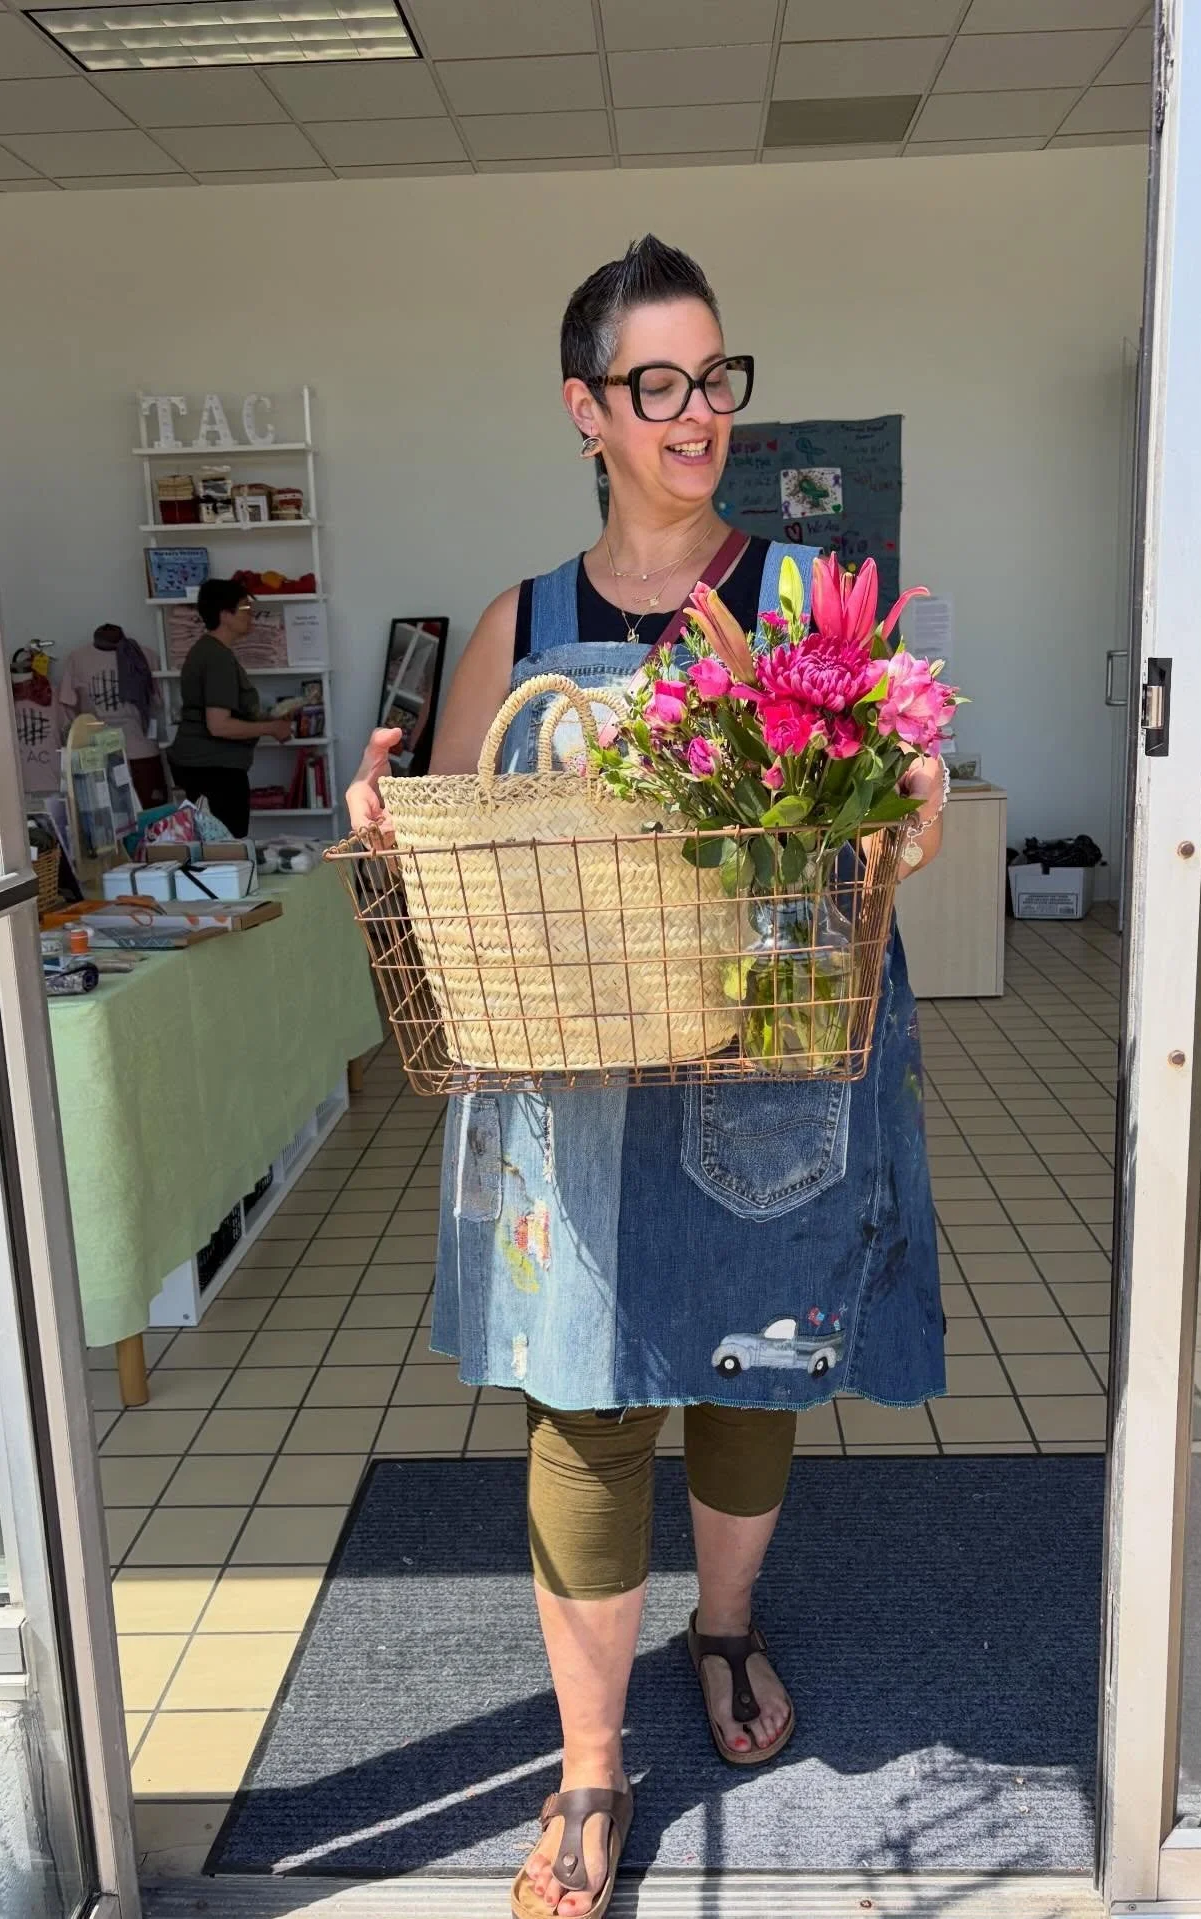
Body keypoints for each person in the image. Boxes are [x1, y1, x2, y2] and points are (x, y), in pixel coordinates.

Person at [346, 235, 948, 1919]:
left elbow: (911, 809)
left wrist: (914, 813)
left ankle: (727, 1620)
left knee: (747, 1369)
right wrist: (388, 837)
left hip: (763, 1060)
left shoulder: (807, 601)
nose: (698, 415)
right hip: (574, 1094)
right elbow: (453, 852)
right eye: (658, 385)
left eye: (716, 378)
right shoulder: (519, 623)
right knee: (587, 1403)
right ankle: (591, 1764)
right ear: (587, 409)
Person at [168, 578, 291, 837]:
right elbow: (218, 724)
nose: (251, 616)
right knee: (227, 848)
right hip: (214, 770)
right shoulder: (216, 657)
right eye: (245, 609)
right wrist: (271, 727)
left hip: (205, 766)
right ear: (225, 615)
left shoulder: (209, 651)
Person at [56, 621, 167, 806]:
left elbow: (159, 702)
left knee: (153, 819)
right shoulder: (77, 659)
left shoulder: (144, 656)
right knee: (104, 822)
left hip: (142, 752)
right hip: (98, 755)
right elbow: (68, 709)